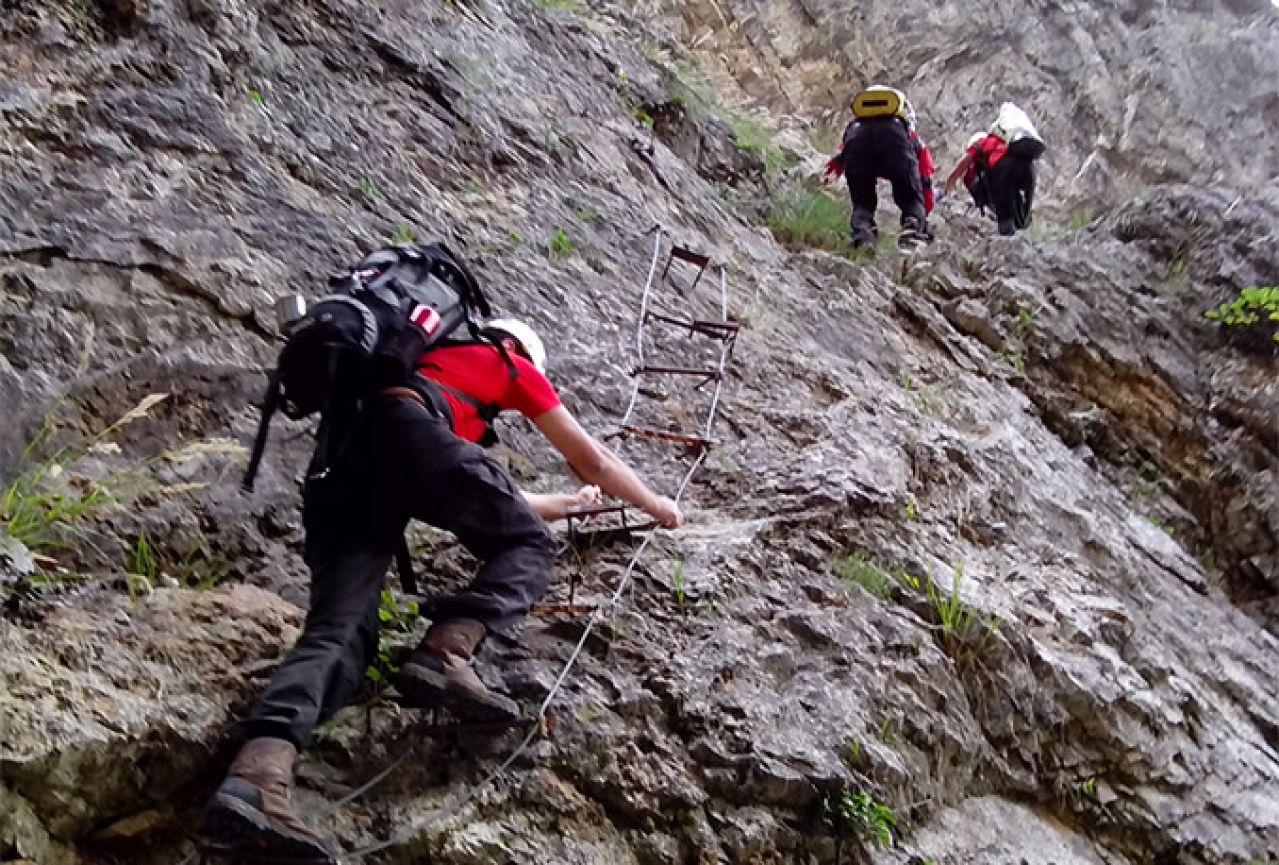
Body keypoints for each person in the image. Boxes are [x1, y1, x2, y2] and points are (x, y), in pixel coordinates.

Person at [202, 317, 684, 862]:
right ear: (514, 347)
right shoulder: (506, 361)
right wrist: (655, 504)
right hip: (406, 437)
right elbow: (589, 459)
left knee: (341, 635)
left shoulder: (419, 367)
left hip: (341, 465)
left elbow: (477, 486)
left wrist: (567, 505)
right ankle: (446, 652)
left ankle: (259, 771)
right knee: (529, 545)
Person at [823, 84, 936, 250]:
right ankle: (912, 229)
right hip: (895, 146)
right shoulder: (903, 127)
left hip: (856, 147)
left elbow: (842, 155)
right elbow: (925, 175)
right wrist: (923, 210)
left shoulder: (855, 127)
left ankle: (863, 236)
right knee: (910, 199)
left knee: (862, 203)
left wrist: (831, 173)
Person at [944, 102, 1045, 236]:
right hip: (1028, 167)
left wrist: (951, 180)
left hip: (1005, 166)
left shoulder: (983, 142)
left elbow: (966, 160)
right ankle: (1022, 226)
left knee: (1004, 202)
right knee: (1020, 202)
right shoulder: (1007, 143)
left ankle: (1006, 230)